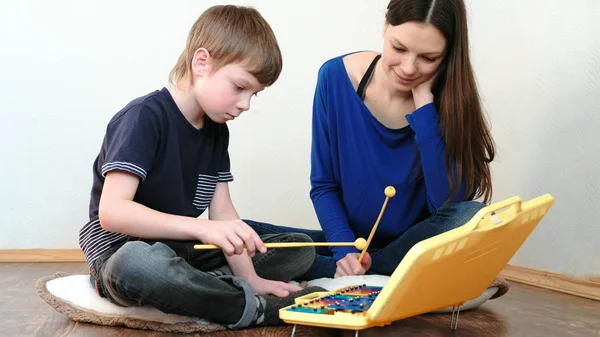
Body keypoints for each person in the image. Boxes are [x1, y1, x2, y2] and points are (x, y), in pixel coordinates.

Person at [78, 5, 325, 329]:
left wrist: (251, 277)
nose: (245, 104)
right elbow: (113, 213)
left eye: (254, 94)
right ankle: (251, 308)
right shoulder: (143, 118)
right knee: (140, 264)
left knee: (298, 249)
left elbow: (222, 213)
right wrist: (201, 228)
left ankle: (210, 286)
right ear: (201, 63)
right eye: (239, 87)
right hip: (119, 254)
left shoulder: (216, 130)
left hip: (182, 250)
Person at [244, 0, 496, 280]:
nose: (409, 68)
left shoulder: (448, 101)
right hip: (351, 243)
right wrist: (344, 252)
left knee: (470, 215)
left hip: (414, 246)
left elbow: (446, 209)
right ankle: (373, 272)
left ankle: (363, 270)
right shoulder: (335, 78)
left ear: (447, 55)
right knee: (240, 232)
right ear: (385, 26)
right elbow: (324, 185)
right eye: (399, 48)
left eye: (428, 58)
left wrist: (425, 108)